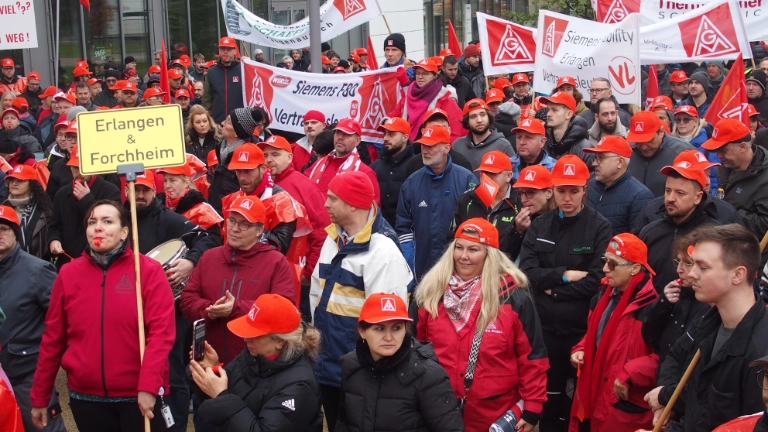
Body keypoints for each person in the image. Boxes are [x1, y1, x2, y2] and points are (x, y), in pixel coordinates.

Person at [31, 200, 175, 431]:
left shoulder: (148, 271)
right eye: (92, 222)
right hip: (86, 398)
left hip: (138, 396)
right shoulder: (68, 274)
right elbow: (52, 339)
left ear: (124, 232)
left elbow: (161, 334)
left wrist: (148, 386)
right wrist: (40, 395)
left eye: (107, 221)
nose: (98, 227)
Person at [415, 218, 548, 431]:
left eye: (473, 249)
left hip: (492, 414)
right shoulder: (431, 294)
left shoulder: (513, 298)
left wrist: (532, 408)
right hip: (439, 410)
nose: (463, 256)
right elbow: (417, 352)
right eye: (459, 247)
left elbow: (532, 358)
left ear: (489, 254)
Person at [310, 171, 413, 432]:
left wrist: (372, 371)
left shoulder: (383, 251)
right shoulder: (333, 239)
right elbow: (316, 295)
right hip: (330, 365)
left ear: (353, 204)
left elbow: (387, 324)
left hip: (363, 372)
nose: (325, 204)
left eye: (333, 198)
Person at [519, 155, 612, 432]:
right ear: (553, 191)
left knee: (581, 397)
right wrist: (563, 274)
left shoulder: (600, 227)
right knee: (550, 394)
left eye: (574, 190)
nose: (567, 198)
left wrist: (552, 289)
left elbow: (597, 281)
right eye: (561, 191)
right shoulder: (540, 225)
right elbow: (527, 273)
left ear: (585, 189)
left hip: (581, 330)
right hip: (545, 329)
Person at [644, 224, 768, 432]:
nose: (690, 273)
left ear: (738, 275)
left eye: (703, 267)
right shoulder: (709, 320)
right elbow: (698, 408)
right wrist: (669, 399)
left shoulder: (759, 353)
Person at [180, 194, 295, 364]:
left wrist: (236, 308)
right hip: (209, 361)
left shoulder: (276, 262)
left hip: (255, 365)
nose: (234, 228)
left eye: (244, 224)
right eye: (232, 221)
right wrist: (208, 310)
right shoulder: (209, 257)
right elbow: (187, 299)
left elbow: (283, 309)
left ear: (259, 230)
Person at [190, 294, 324, 431]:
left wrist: (222, 397)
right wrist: (212, 369)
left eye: (256, 335)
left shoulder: (300, 385)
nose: (246, 339)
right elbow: (225, 390)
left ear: (280, 341)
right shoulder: (254, 354)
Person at [568, 233, 659, 432]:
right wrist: (582, 348)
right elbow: (595, 333)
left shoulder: (653, 306)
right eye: (604, 261)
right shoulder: (605, 294)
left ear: (635, 268)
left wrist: (630, 374)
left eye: (613, 264)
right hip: (595, 390)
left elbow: (665, 358)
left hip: (624, 403)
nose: (604, 269)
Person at [337, 293, 464, 432]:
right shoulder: (351, 366)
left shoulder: (429, 376)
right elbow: (344, 423)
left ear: (406, 329)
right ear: (362, 331)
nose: (389, 337)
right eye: (379, 328)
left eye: (396, 328)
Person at [0, 205, 65, 432]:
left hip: (28, 374)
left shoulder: (38, 271)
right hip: (1, 375)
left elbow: (61, 320)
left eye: (4, 229)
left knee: (43, 428)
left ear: (15, 234)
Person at [258, 135, 331, 319]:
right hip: (265, 272)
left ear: (290, 157)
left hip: (297, 277)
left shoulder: (304, 187)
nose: (268, 160)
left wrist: (309, 272)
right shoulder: (259, 186)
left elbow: (322, 232)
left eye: (275, 154)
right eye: (265, 155)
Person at [396, 124, 476, 280]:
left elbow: (475, 226)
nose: (424, 151)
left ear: (446, 148)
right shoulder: (411, 183)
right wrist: (409, 261)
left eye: (431, 146)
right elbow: (403, 226)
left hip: (458, 269)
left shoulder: (466, 179)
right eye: (423, 145)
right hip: (421, 269)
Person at [638, 152, 723, 292]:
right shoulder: (650, 232)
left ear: (698, 197)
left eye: (680, 193)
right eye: (668, 191)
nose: (670, 198)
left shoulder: (713, 237)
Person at [702, 118, 768, 263]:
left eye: (723, 150)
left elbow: (764, 225)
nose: (719, 155)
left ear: (743, 147)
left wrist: (728, 211)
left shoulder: (764, 177)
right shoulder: (726, 167)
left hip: (750, 261)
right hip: (723, 252)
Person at [219, 143, 301, 254]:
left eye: (248, 171)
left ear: (263, 168)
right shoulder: (231, 199)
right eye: (238, 171)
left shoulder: (282, 202)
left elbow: (280, 246)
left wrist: (248, 229)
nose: (242, 178)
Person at [47, 145, 121, 268]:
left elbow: (111, 224)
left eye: (83, 168)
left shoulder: (110, 190)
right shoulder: (62, 193)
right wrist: (53, 240)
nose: (78, 172)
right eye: (74, 168)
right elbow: (54, 226)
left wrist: (86, 200)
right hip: (68, 261)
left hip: (101, 262)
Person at [641, 234, 711, 364]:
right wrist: (663, 304)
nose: (679, 270)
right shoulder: (676, 294)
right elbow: (649, 339)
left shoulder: (710, 304)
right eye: (678, 261)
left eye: (688, 263)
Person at [451, 149, 518, 257]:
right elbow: (452, 238)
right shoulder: (467, 199)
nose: (487, 178)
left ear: (509, 176)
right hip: (471, 265)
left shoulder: (520, 201)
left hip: (506, 267)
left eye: (493, 174)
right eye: (484, 173)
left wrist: (517, 230)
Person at [585, 136, 654, 234]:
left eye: (601, 158)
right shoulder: (589, 186)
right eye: (595, 157)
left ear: (620, 162)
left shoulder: (640, 196)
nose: (594, 163)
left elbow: (637, 240)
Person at [386, 58, 464, 143]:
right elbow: (396, 114)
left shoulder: (445, 100)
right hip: (409, 146)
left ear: (435, 75)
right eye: (418, 73)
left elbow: (455, 130)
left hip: (433, 147)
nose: (420, 77)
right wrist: (386, 121)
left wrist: (445, 150)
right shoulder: (408, 94)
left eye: (425, 74)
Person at [306, 118, 381, 205]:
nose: (340, 137)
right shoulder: (319, 163)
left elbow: (372, 210)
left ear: (357, 141)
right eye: (338, 133)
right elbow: (303, 188)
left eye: (347, 134)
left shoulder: (365, 172)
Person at [208, 107, 265, 213]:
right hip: (215, 213)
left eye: (228, 121)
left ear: (236, 133)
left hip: (231, 216)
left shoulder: (248, 159)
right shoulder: (222, 150)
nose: (222, 123)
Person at [627, 111, 694, 197]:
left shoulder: (683, 151)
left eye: (649, 141)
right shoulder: (627, 152)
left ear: (661, 132)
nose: (644, 147)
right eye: (638, 141)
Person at [370, 117, 415, 228]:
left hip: (407, 233)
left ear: (405, 137)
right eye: (385, 134)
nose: (385, 138)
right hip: (378, 232)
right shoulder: (375, 167)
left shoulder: (416, 166)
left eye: (391, 134)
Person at [2, 165, 52, 259]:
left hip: (34, 266)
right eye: (12, 180)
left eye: (20, 180)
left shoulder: (43, 212)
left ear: (31, 184)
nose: (14, 184)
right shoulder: (2, 209)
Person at [452, 98, 515, 172]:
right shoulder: (457, 145)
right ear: (467, 122)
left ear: (489, 117)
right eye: (473, 117)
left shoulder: (503, 145)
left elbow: (513, 176)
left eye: (483, 115)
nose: (479, 120)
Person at [507, 165, 555, 259]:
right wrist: (517, 231)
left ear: (549, 193)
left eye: (530, 193)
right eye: (521, 193)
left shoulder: (561, 218)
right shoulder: (523, 218)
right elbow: (503, 257)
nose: (523, 200)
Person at [542, 91, 594, 166]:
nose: (548, 114)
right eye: (548, 110)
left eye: (555, 110)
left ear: (569, 114)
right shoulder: (542, 142)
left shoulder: (585, 149)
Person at [203, 37, 243, 123]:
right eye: (222, 49)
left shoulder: (243, 69)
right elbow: (207, 99)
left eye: (229, 49)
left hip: (239, 124)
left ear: (235, 51)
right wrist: (209, 120)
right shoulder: (211, 71)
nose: (225, 52)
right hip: (218, 123)